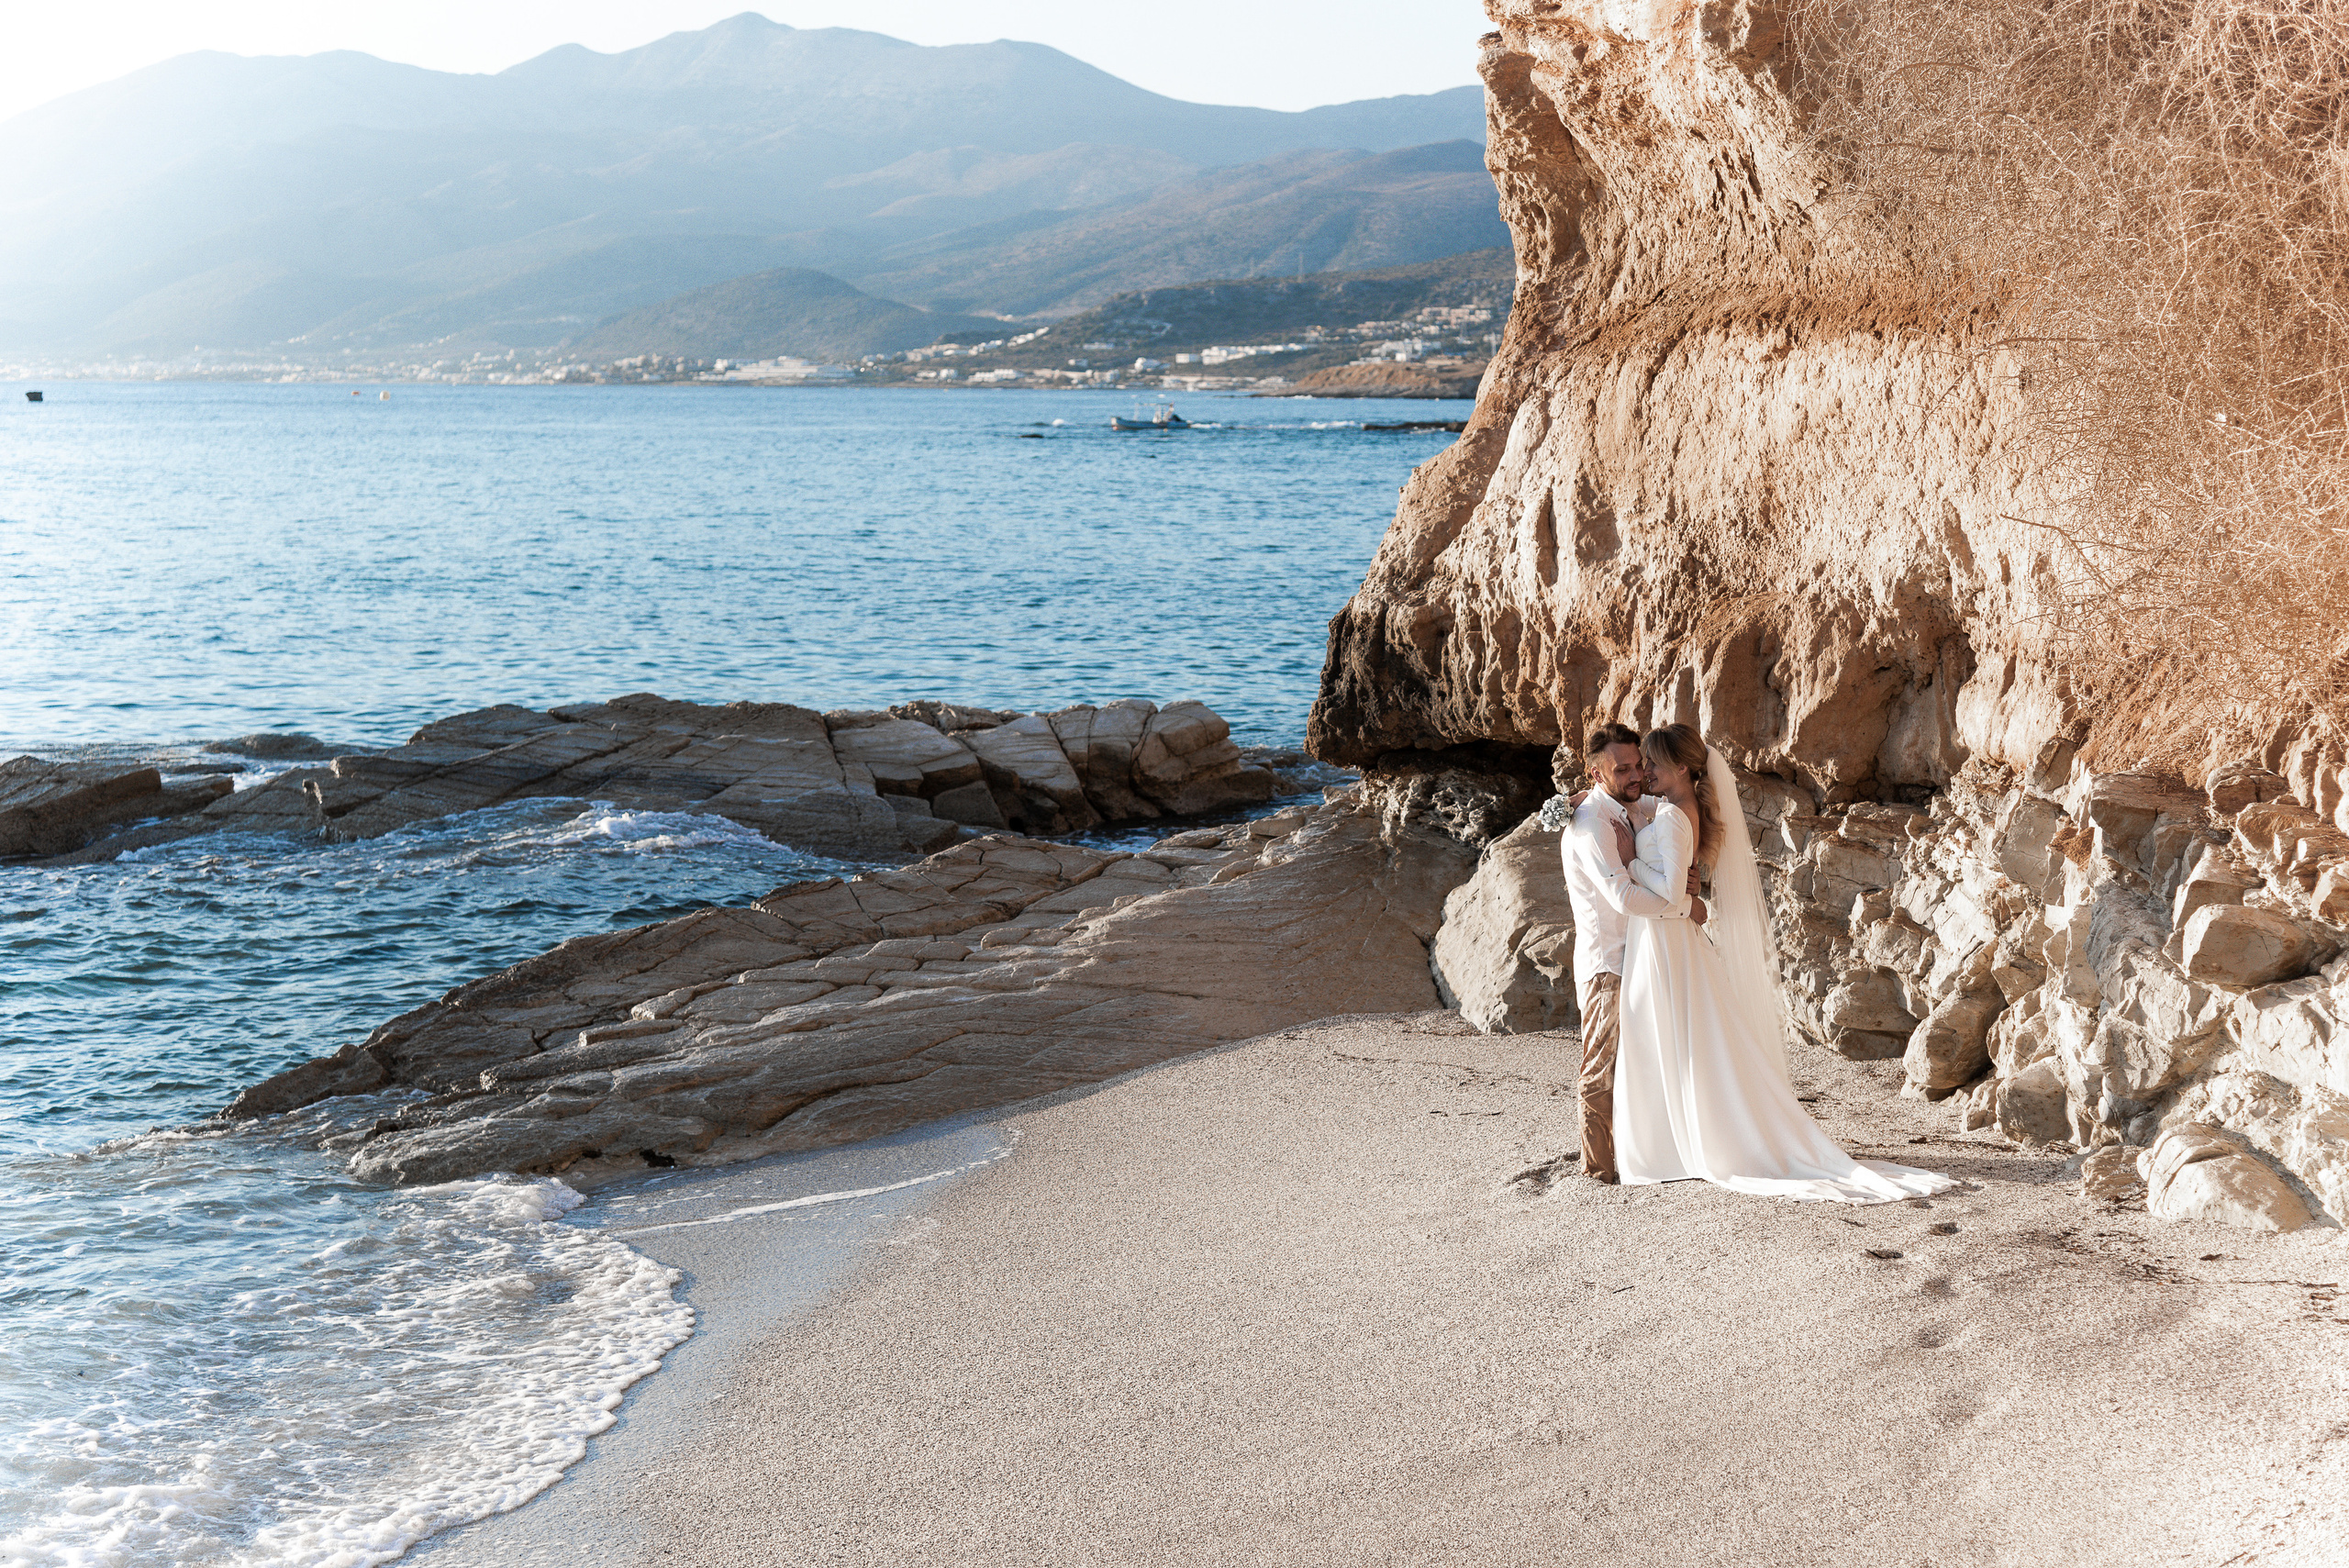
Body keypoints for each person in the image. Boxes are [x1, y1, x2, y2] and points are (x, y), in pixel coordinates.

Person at [1611, 723, 1954, 1203]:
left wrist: (1629, 862)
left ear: (1682, 768)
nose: (1645, 770)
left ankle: (1670, 1146)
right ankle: (1681, 1140)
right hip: (1670, 940)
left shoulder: (1671, 817)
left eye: (1652, 762)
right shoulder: (1675, 809)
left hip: (1664, 941)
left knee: (1666, 1033)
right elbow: (1677, 877)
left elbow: (1669, 891)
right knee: (1686, 1036)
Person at [1557, 724, 1706, 1184]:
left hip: (1642, 956)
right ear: (1595, 773)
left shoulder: (1633, 803)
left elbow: (1671, 810)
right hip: (1609, 963)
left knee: (1644, 1063)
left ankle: (1653, 1154)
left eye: (1639, 764)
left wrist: (1683, 875)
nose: (1636, 775)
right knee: (1601, 1067)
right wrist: (1685, 905)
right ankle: (1597, 1169)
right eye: (1622, 769)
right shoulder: (1591, 825)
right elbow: (1622, 897)